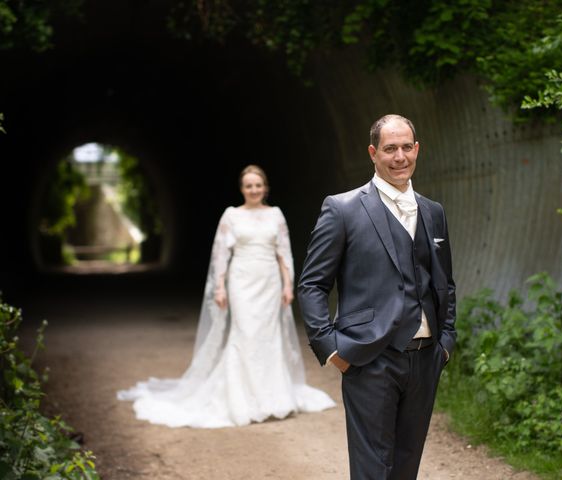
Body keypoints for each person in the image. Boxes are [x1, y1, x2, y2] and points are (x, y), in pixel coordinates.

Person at [298, 114, 456, 479]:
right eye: (390, 149)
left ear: (417, 150)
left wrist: (445, 341)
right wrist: (331, 348)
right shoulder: (342, 209)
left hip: (425, 358)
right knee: (373, 468)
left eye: (406, 147)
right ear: (373, 153)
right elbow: (312, 284)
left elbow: (445, 283)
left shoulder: (433, 213)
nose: (399, 156)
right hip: (369, 358)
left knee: (405, 466)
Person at [118, 164, 335, 428]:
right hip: (241, 282)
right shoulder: (231, 216)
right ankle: (240, 399)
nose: (253, 190)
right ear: (242, 189)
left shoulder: (276, 215)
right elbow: (221, 254)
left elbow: (284, 253)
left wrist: (288, 285)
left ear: (265, 188)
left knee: (268, 336)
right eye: (248, 186)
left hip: (269, 283)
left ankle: (273, 396)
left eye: (258, 185)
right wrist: (220, 286)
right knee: (244, 334)